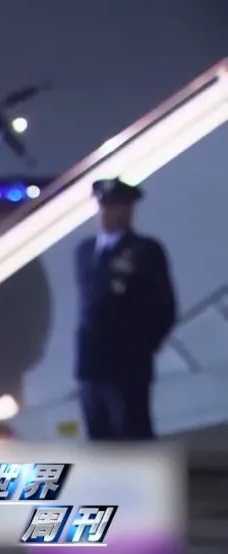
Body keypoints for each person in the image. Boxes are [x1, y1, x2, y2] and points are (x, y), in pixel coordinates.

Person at [75, 178, 176, 440]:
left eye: (115, 206)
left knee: (132, 435)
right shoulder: (85, 251)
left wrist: (141, 350)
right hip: (91, 363)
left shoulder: (145, 250)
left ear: (129, 210)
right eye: (104, 206)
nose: (107, 212)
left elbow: (164, 307)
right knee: (99, 436)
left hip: (127, 365)